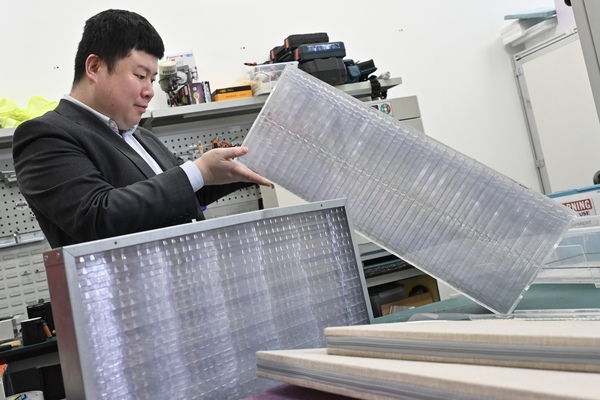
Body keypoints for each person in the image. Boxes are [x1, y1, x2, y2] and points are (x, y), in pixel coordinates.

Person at [11, 9, 271, 248]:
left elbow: (184, 190)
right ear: (94, 67)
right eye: (140, 76)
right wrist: (199, 170)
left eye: (153, 79)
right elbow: (98, 216)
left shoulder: (141, 136)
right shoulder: (44, 136)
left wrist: (252, 161)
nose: (149, 91)